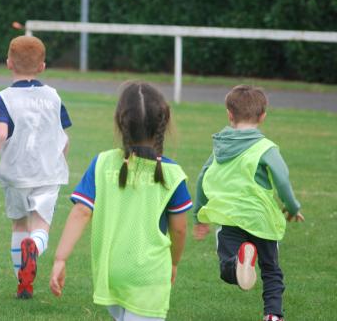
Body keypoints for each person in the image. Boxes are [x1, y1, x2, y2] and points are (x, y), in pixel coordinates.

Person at [50, 81, 191, 321]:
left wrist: (60, 258)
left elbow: (81, 213)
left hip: (111, 272)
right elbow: (179, 229)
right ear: (164, 121)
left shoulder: (101, 163)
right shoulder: (173, 174)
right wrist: (174, 263)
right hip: (149, 274)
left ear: (120, 121)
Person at [192, 85, 304, 321]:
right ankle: (273, 315)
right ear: (263, 116)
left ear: (229, 114)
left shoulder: (220, 147)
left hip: (230, 219)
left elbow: (203, 177)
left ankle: (238, 263)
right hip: (261, 219)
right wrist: (292, 207)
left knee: (227, 267)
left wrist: (198, 216)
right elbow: (282, 179)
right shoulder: (266, 148)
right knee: (271, 271)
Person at [0, 35, 71, 299]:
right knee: (41, 226)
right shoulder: (53, 96)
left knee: (18, 225)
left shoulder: (3, 98)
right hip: (48, 174)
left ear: (8, 63)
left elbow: (0, 134)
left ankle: (23, 283)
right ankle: (34, 248)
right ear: (42, 67)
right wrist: (61, 158)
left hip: (16, 174)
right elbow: (64, 138)